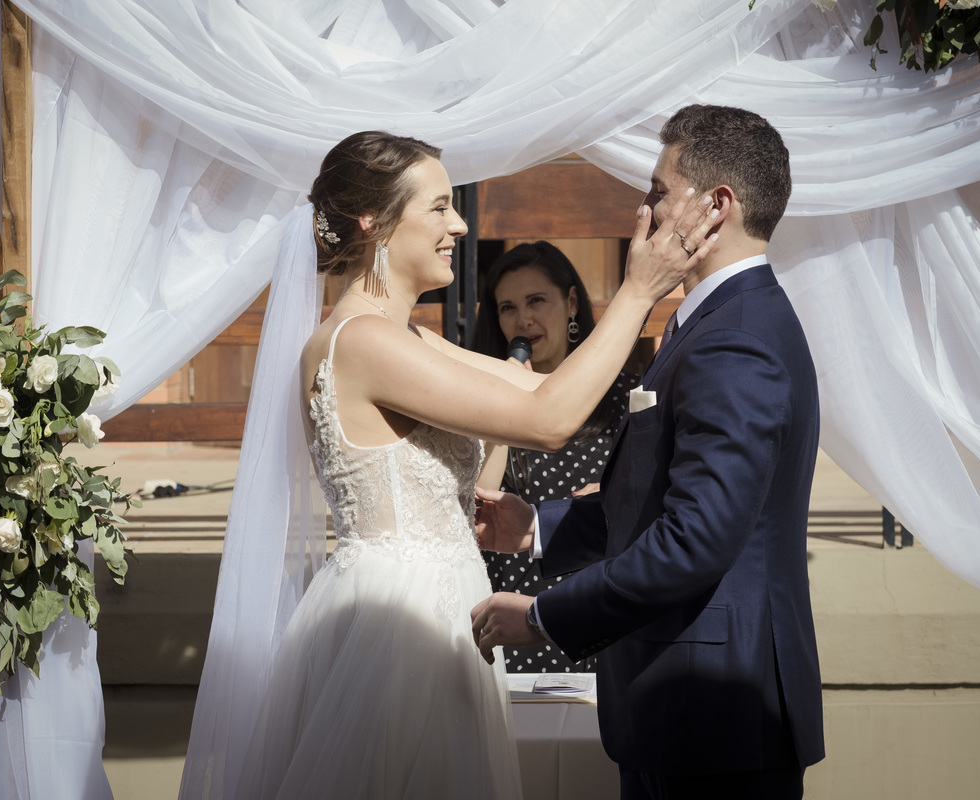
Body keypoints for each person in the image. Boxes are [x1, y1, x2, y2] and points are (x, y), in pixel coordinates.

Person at [226, 130, 719, 799]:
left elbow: (546, 388)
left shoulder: (408, 337)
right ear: (375, 220)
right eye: (438, 207)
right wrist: (635, 292)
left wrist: (676, 327)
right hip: (398, 624)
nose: (458, 224)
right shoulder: (363, 341)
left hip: (444, 603)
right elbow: (547, 422)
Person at [471, 105, 825, 800]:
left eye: (659, 191)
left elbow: (695, 540)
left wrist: (545, 617)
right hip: (680, 712)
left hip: (715, 713)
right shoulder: (716, 324)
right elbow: (657, 503)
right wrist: (535, 527)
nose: (645, 209)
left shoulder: (737, 340)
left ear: (716, 206)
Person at [470, 241, 636, 673]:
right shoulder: (483, 398)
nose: (523, 319)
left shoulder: (624, 397)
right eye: (507, 308)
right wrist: (507, 401)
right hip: (514, 621)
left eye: (536, 301)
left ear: (572, 302)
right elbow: (477, 496)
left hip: (599, 622)